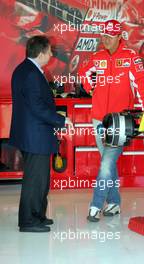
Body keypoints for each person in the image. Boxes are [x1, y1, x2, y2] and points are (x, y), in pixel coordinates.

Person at [78, 19, 144, 222]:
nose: (106, 39)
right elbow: (83, 73)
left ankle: (95, 206)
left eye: (110, 36)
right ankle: (114, 203)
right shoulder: (97, 57)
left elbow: (140, 84)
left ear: (119, 37)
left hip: (120, 123)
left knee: (106, 164)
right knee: (108, 164)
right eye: (104, 36)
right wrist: (91, 88)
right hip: (98, 120)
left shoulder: (130, 57)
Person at [9, 35, 71, 232]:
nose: (52, 54)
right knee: (34, 180)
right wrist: (62, 120)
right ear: (42, 52)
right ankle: (28, 221)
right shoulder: (31, 74)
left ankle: (38, 215)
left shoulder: (27, 70)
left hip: (34, 134)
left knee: (40, 179)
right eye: (50, 51)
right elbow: (37, 107)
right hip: (35, 135)